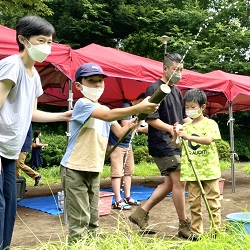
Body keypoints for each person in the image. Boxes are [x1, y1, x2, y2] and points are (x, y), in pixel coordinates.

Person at [60, 62, 159, 243]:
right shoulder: (83, 104)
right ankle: (78, 247)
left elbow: (120, 132)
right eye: (92, 81)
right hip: (74, 167)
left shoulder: (104, 109)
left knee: (93, 218)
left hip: (94, 168)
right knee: (79, 220)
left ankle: (90, 245)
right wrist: (137, 107)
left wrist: (133, 123)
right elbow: (108, 116)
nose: (97, 85)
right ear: (79, 86)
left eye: (100, 81)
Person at [0, 15, 72, 250]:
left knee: (10, 204)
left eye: (50, 42)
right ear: (23, 39)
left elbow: (32, 114)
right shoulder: (12, 65)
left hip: (10, 151)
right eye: (41, 40)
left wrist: (63, 116)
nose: (47, 47)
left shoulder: (35, 76)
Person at [129, 53, 197, 240]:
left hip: (175, 142)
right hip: (161, 143)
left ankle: (140, 213)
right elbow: (151, 119)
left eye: (181, 70)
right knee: (180, 182)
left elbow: (183, 118)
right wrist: (171, 129)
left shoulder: (176, 91)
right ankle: (184, 226)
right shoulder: (155, 89)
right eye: (175, 69)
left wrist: (198, 126)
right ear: (165, 69)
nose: (178, 73)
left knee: (169, 183)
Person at [172, 88, 221, 236]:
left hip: (209, 171)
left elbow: (208, 140)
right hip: (192, 172)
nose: (189, 110)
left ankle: (216, 232)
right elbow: (176, 145)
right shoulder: (185, 126)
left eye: (193, 107)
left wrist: (188, 137)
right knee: (194, 204)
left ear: (203, 107)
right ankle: (196, 233)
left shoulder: (210, 124)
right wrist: (176, 134)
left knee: (213, 202)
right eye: (187, 107)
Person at [108, 93, 148, 210]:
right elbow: (125, 126)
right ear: (140, 101)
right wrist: (143, 129)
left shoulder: (133, 111)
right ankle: (118, 200)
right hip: (117, 145)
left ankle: (127, 197)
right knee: (117, 173)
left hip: (127, 145)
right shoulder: (126, 107)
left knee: (128, 171)